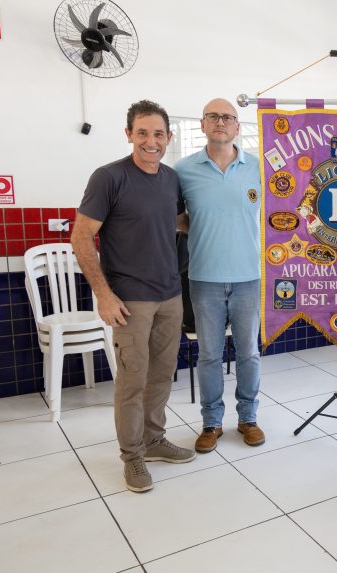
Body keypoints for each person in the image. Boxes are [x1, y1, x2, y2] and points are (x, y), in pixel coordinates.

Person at [72, 100, 195, 493]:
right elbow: (81, 237)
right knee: (132, 379)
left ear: (168, 137)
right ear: (129, 134)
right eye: (142, 133)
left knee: (161, 374)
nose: (150, 141)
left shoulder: (172, 179)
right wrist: (103, 295)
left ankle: (154, 439)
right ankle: (132, 457)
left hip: (170, 295)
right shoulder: (109, 177)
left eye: (158, 134)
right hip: (130, 300)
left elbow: (175, 221)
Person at [174, 98, 265, 453]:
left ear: (237, 127)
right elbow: (175, 217)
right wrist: (200, 228)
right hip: (204, 278)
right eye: (213, 116)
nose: (221, 122)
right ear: (202, 124)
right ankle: (211, 423)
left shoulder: (258, 167)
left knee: (249, 353)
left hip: (248, 277)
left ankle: (248, 418)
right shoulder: (183, 170)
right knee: (209, 355)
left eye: (228, 117)